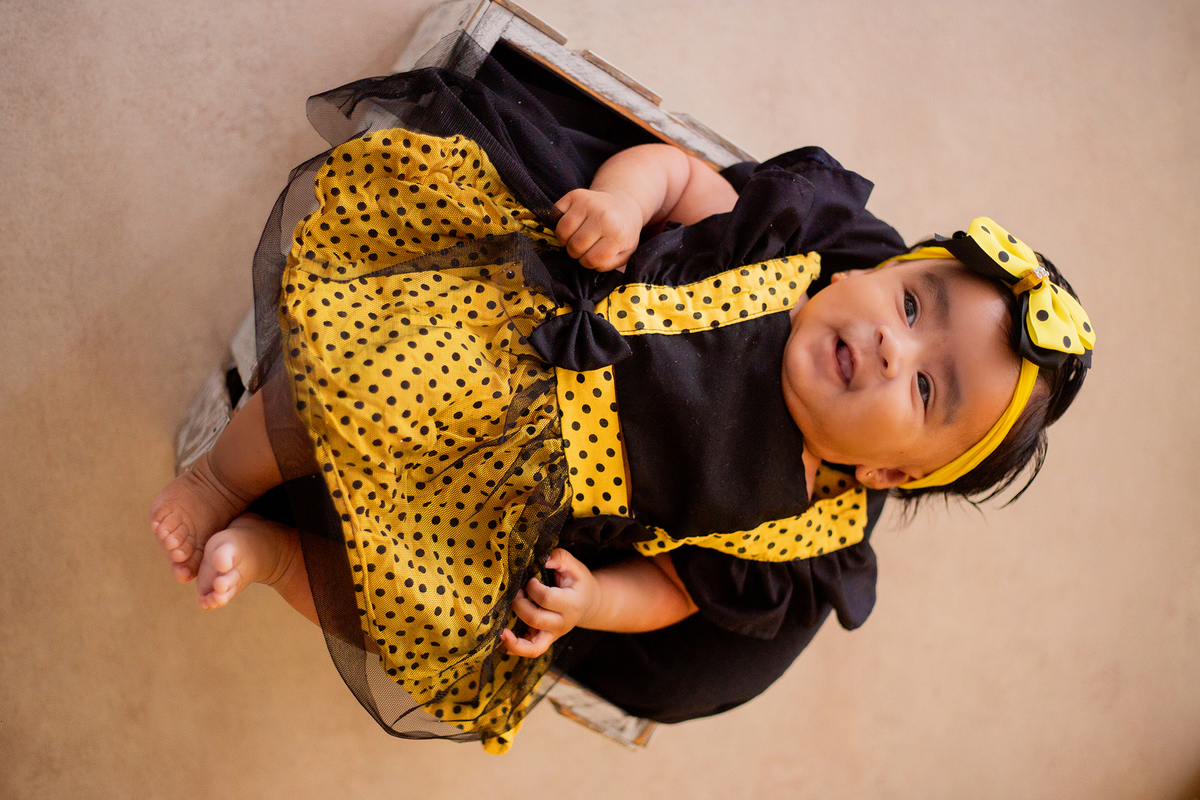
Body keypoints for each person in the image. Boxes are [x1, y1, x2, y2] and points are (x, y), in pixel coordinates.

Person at [150, 34, 1093, 752]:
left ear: (886, 471)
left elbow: (675, 591)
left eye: (929, 387)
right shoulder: (784, 255)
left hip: (526, 506)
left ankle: (278, 556)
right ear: (874, 268)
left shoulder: (800, 528)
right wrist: (624, 203)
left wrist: (592, 600)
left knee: (431, 632)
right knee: (355, 379)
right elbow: (680, 173)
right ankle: (218, 482)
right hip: (511, 339)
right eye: (913, 299)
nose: (895, 345)